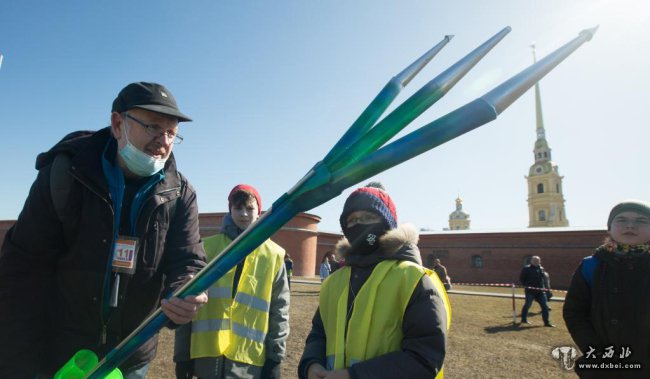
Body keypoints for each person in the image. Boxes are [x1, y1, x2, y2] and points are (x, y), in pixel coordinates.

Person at [0, 82, 208, 378]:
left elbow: (188, 258)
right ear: (117, 123)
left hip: (131, 356)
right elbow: (21, 270)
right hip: (58, 352)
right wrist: (17, 365)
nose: (163, 141)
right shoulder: (65, 175)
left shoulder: (180, 193)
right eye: (153, 127)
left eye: (172, 133)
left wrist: (186, 287)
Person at [298, 185, 450, 379]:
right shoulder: (334, 282)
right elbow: (319, 332)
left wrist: (355, 375)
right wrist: (311, 363)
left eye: (368, 218)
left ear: (388, 224)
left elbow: (424, 358)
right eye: (352, 220)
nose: (359, 225)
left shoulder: (415, 280)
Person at [174, 184, 290, 379]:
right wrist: (182, 356)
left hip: (248, 360)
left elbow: (280, 311)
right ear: (230, 210)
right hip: (207, 357)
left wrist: (275, 359)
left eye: (250, 208)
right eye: (238, 208)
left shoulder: (274, 255)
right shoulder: (207, 249)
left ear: (259, 211)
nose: (244, 214)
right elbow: (187, 302)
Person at [564, 200, 650, 378]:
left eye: (641, 221)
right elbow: (575, 312)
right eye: (621, 220)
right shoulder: (591, 265)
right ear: (609, 228)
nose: (630, 225)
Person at [519, 256, 554, 327]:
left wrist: (545, 288)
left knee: (545, 307)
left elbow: (543, 279)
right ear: (531, 261)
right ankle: (524, 319)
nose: (536, 262)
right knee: (527, 305)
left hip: (540, 291)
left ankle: (547, 323)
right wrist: (526, 286)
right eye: (535, 261)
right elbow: (522, 279)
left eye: (538, 261)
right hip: (530, 291)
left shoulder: (541, 269)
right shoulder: (526, 269)